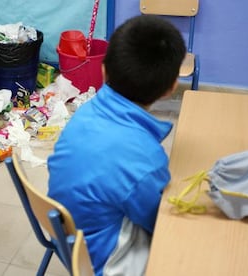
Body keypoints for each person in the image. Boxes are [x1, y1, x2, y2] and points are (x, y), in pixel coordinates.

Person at [47, 15, 186, 276]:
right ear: (171, 87)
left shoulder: (85, 113)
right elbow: (160, 225)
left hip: (71, 236)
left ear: (103, 71)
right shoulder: (146, 161)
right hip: (104, 262)